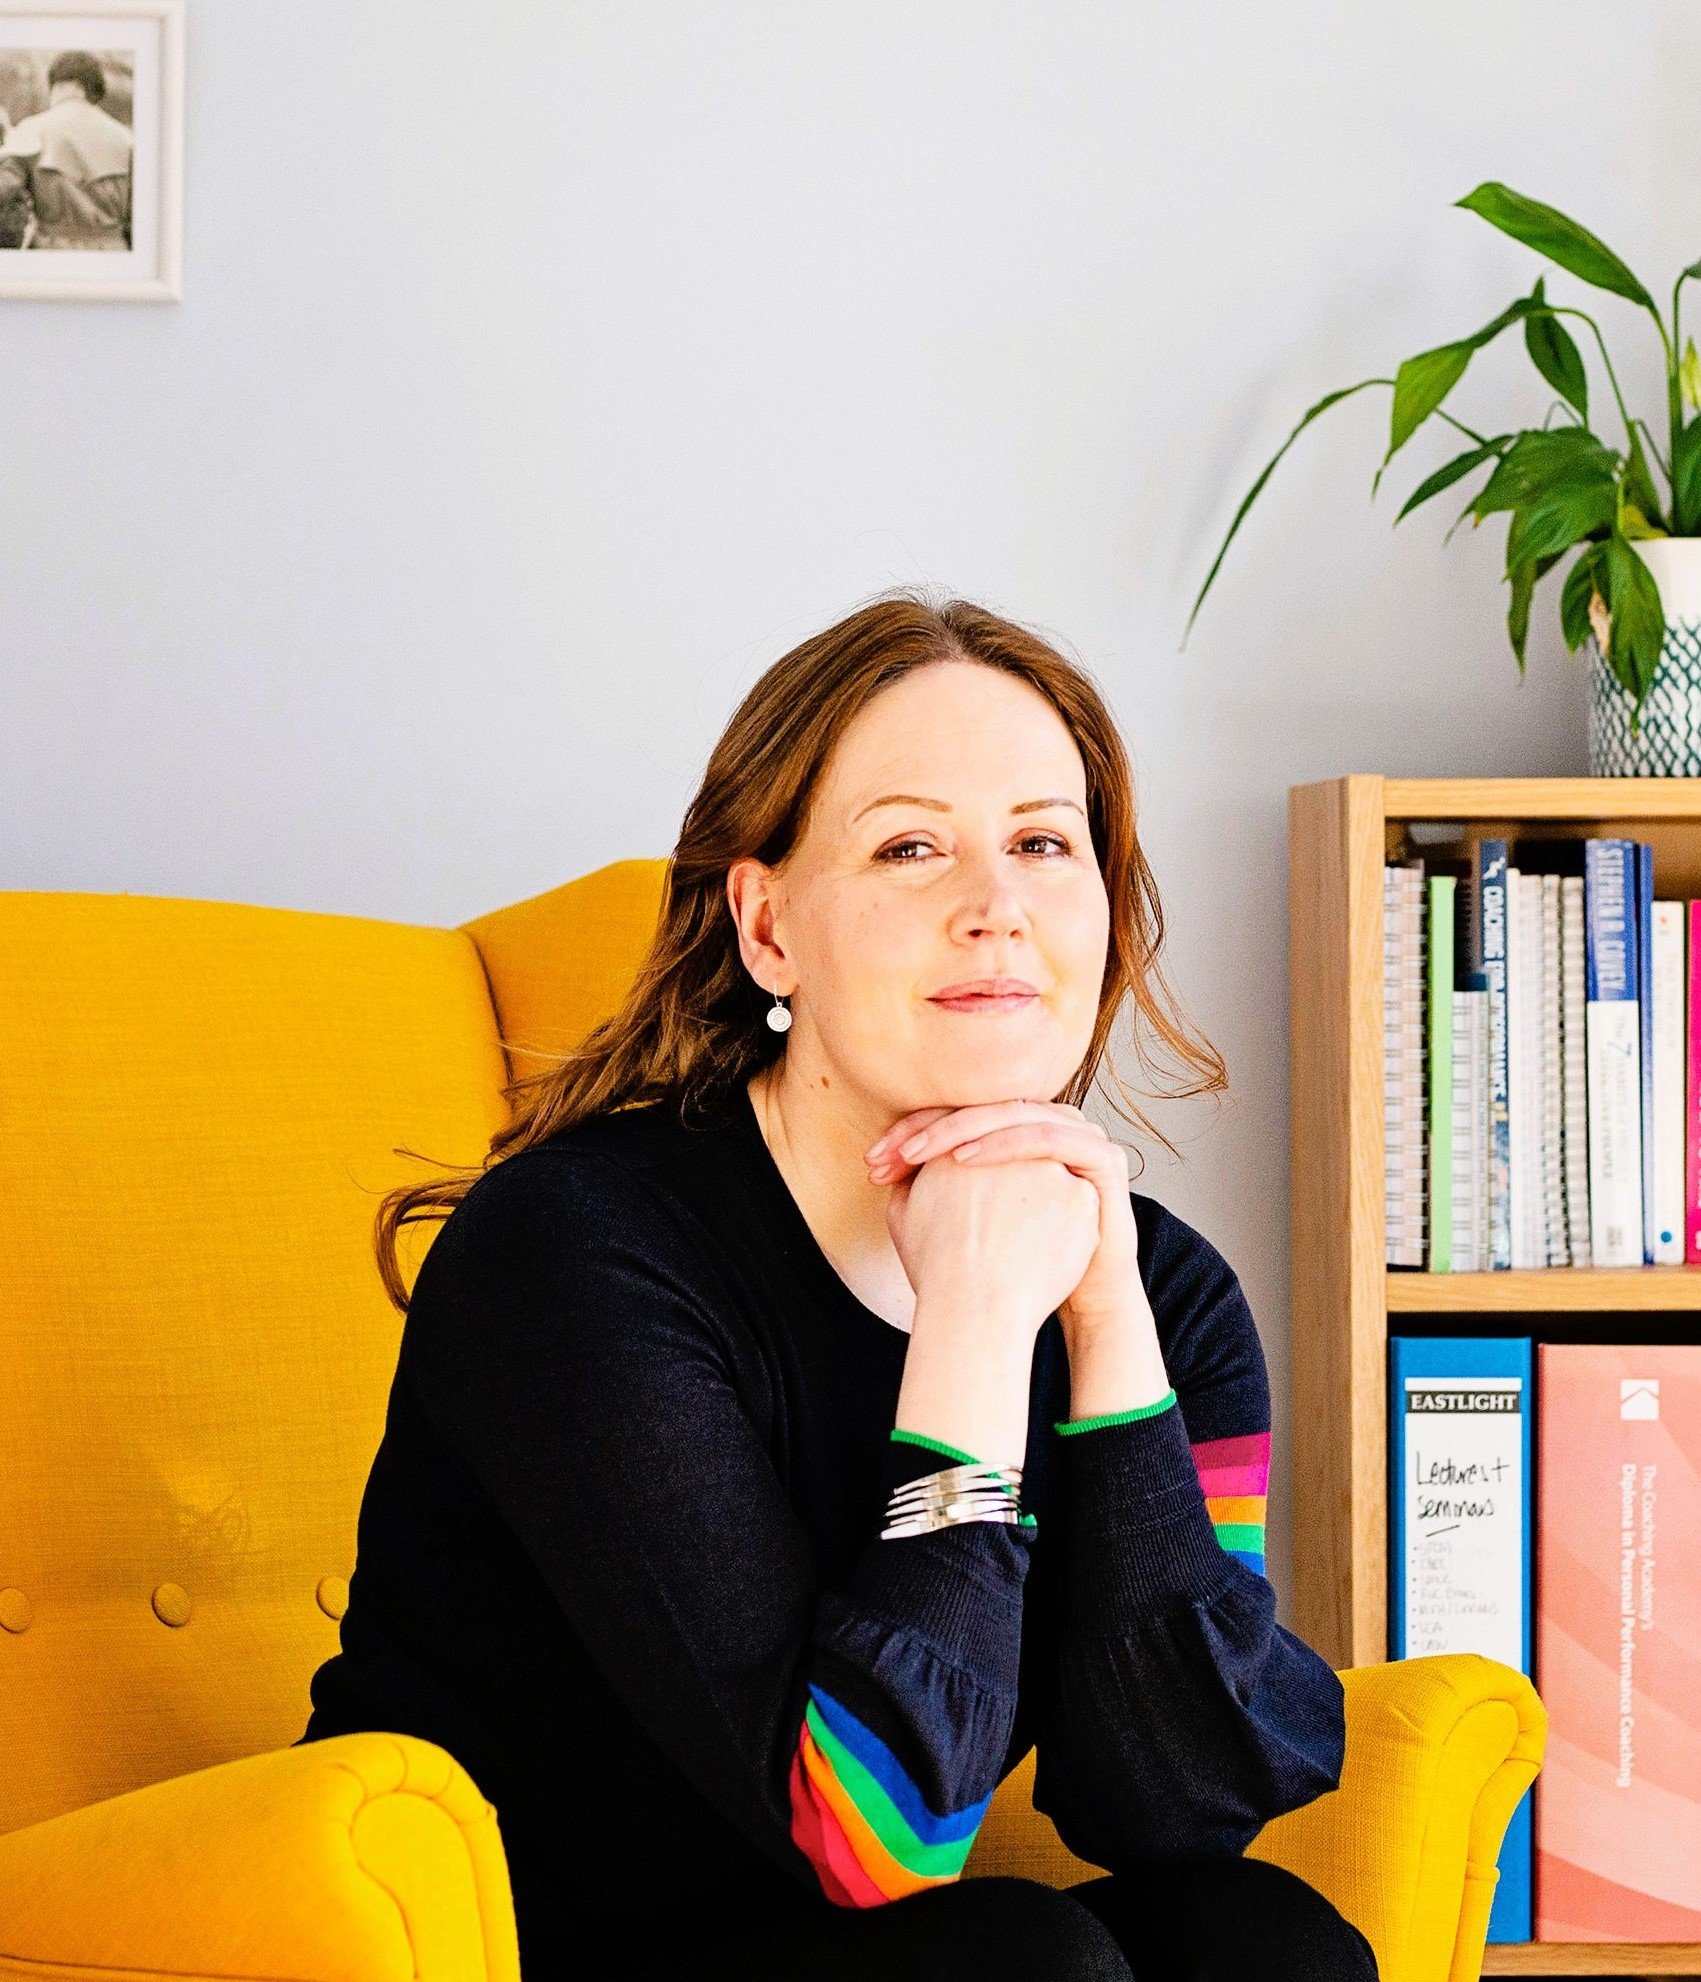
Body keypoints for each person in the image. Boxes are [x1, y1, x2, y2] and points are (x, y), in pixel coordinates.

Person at [295, 592, 1377, 1982]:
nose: (995, 907)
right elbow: (867, 1837)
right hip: (519, 1945)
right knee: (1018, 1961)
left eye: (1044, 842)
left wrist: (1106, 1323)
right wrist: (979, 1324)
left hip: (878, 1941)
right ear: (768, 928)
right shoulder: (577, 1250)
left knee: (1265, 1944)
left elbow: (1177, 1800)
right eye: (911, 846)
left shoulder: (1159, 1283)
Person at [3, 51, 132, 250]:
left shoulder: (31, 129)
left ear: (57, 85)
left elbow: (5, 193)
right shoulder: (127, 139)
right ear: (94, 91)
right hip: (114, 259)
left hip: (50, 256)